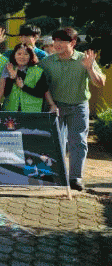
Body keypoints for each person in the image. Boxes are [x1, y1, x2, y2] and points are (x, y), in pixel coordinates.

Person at [40, 27, 107, 191]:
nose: (57, 44)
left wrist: (90, 68)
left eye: (62, 41)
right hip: (56, 107)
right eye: (55, 40)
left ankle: (75, 178)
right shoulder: (47, 62)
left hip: (79, 107)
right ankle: (57, 175)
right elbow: (40, 85)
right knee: (57, 142)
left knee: (78, 142)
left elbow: (100, 83)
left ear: (73, 42)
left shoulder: (84, 59)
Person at [0, 43, 57, 114]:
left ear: (30, 56)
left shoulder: (38, 71)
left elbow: (41, 92)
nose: (22, 57)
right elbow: (5, 92)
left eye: (26, 54)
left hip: (32, 111)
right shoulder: (8, 68)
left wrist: (23, 87)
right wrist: (12, 78)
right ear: (14, 55)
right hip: (11, 110)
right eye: (19, 54)